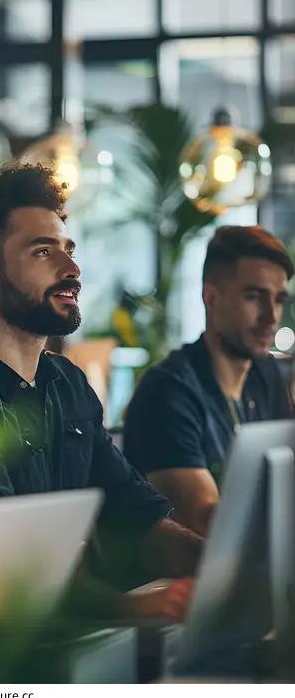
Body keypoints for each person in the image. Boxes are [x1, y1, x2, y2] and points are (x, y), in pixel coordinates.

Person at [0, 163, 204, 619]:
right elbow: (6, 568)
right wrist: (128, 610)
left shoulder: (68, 383)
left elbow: (135, 515)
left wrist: (223, 565)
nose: (72, 268)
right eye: (43, 252)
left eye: (69, 249)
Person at [123, 225, 293, 537]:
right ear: (211, 298)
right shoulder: (168, 392)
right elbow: (206, 524)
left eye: (279, 299)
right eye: (254, 297)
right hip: (177, 581)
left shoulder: (265, 374)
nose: (272, 316)